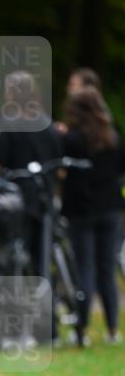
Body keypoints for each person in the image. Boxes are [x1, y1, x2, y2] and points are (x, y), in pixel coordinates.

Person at [61, 86, 123, 345]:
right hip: (111, 208)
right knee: (106, 270)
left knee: (84, 269)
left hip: (82, 210)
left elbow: (62, 172)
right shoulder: (113, 137)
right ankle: (112, 329)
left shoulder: (72, 139)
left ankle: (81, 329)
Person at [0, 71, 62, 279]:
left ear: (11, 94)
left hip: (18, 200)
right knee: (42, 252)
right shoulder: (47, 123)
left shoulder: (10, 123)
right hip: (45, 196)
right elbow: (59, 162)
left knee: (18, 252)